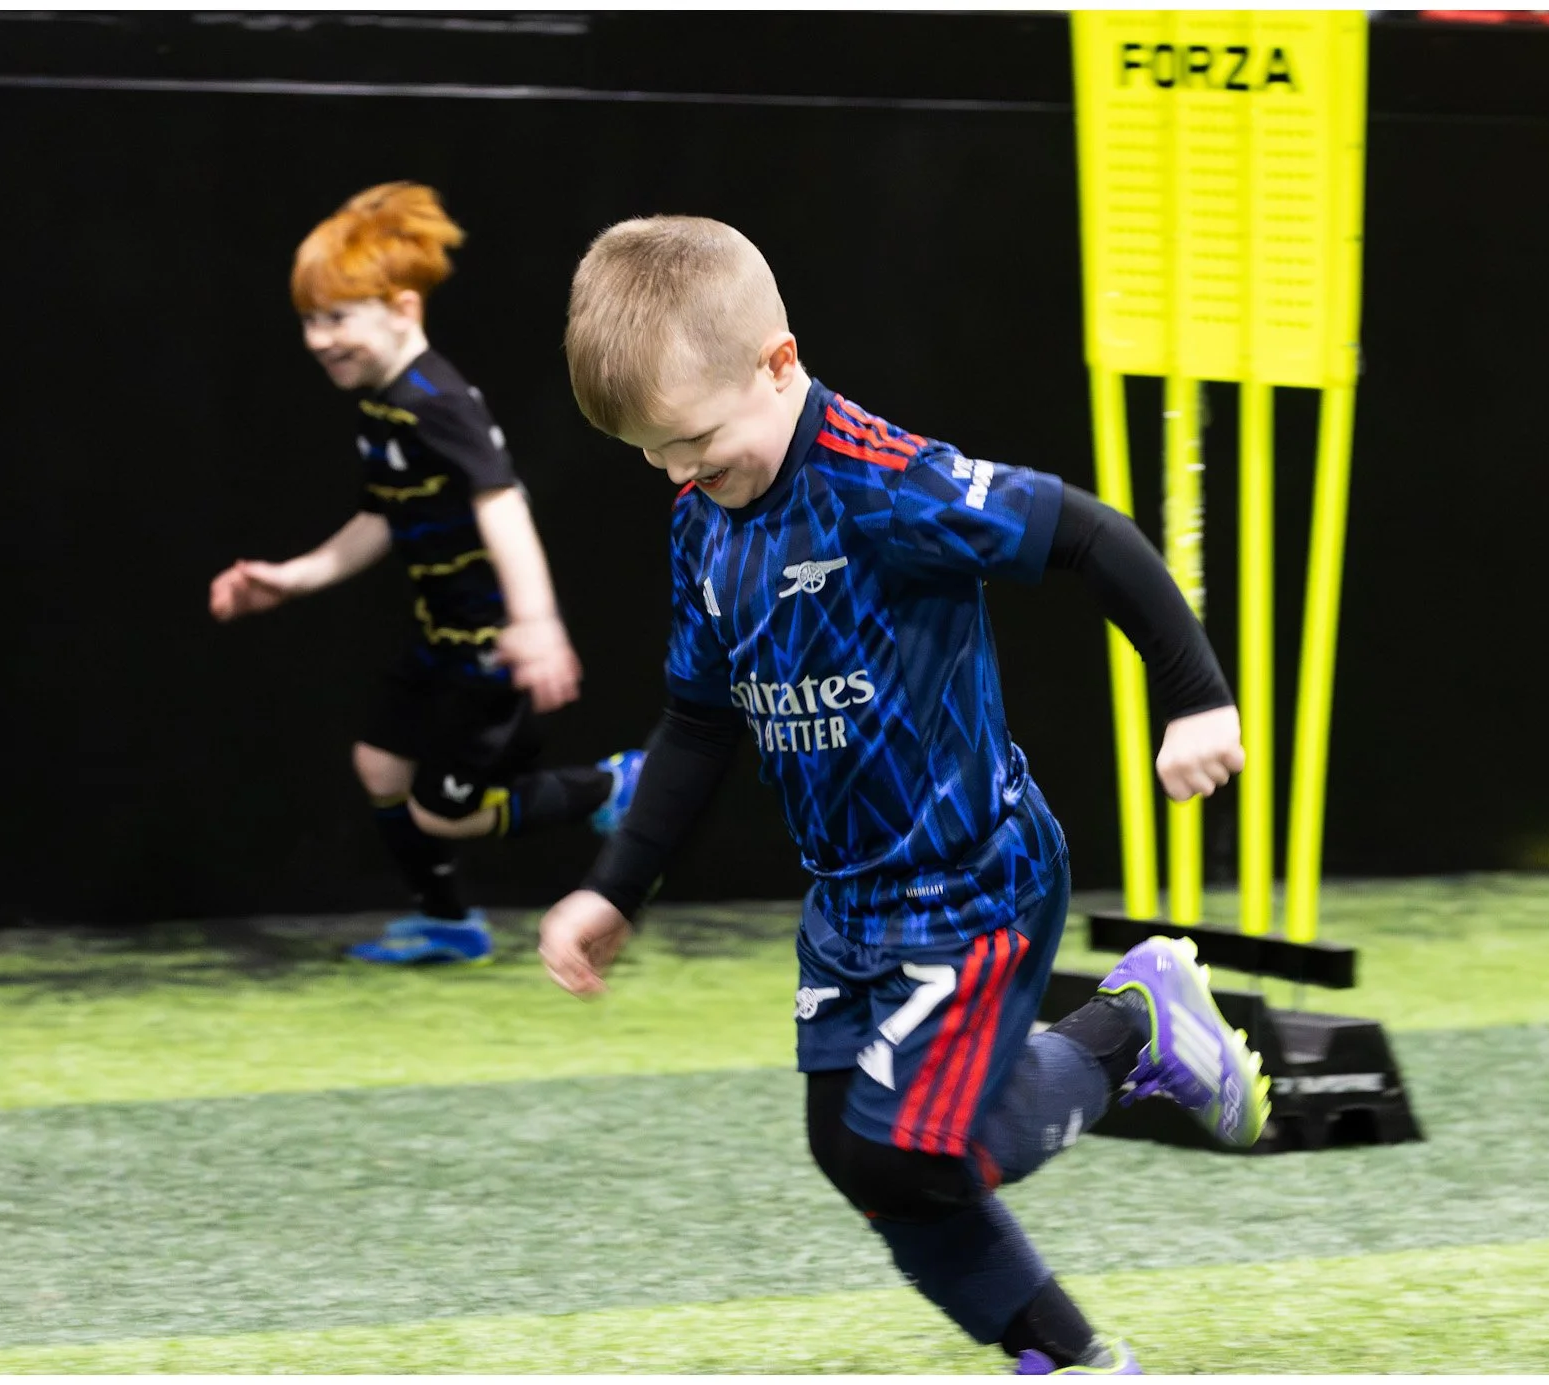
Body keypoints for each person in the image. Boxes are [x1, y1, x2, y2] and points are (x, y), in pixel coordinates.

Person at [538, 216, 1271, 1374]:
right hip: (851, 904)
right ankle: (1066, 1352)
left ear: (779, 363)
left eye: (693, 440)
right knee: (851, 1149)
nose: (679, 473)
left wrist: (1198, 698)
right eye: (650, 454)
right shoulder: (700, 522)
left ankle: (1131, 1031)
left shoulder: (887, 486)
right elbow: (697, 719)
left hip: (974, 880)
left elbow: (1090, 535)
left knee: (907, 1153)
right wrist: (615, 886)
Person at [209, 182, 641, 966]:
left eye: (337, 317)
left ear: (402, 309)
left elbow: (503, 498)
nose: (318, 337)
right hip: (439, 638)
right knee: (379, 762)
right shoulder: (384, 401)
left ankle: (612, 789)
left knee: (445, 811)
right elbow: (382, 515)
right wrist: (293, 578)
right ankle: (447, 921)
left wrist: (534, 622)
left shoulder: (435, 402)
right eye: (310, 319)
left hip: (488, 647)